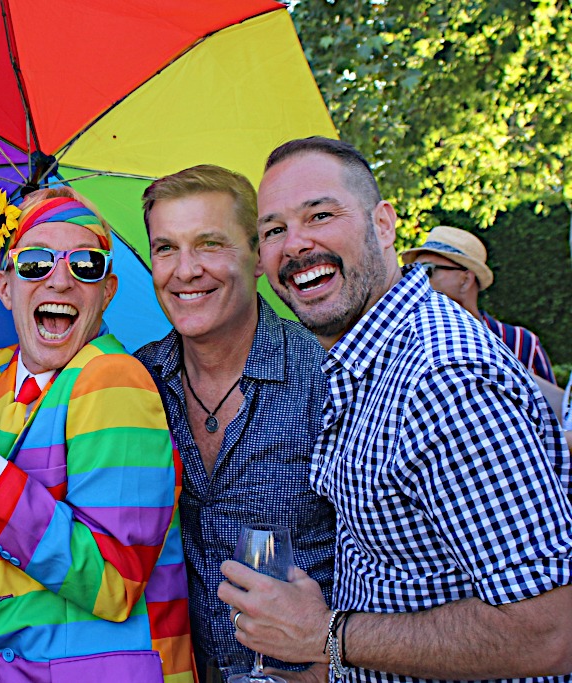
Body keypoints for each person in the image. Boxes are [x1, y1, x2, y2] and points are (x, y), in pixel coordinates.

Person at [219, 136, 572, 682]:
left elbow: (549, 630)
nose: (295, 244)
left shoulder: (441, 377)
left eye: (320, 214)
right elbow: (407, 580)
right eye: (273, 230)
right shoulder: (371, 362)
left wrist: (325, 634)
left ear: (383, 224)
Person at [0, 187, 196, 682]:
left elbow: (115, 582)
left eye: (86, 265)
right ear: (4, 287)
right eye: (35, 263)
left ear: (107, 290)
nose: (61, 281)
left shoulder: (114, 377)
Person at [132, 164, 335, 676]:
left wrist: (331, 663)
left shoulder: (324, 375)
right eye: (166, 248)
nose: (185, 270)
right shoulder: (136, 382)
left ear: (259, 256)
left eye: (209, 244)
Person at [399, 225, 557, 384]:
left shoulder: (520, 343)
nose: (416, 279)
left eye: (427, 270)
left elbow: (551, 407)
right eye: (411, 271)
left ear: (466, 280)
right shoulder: (407, 342)